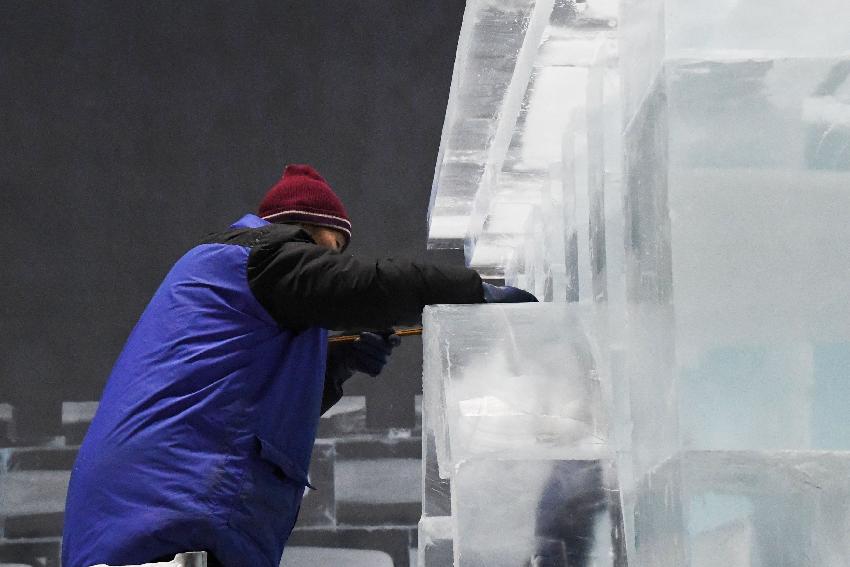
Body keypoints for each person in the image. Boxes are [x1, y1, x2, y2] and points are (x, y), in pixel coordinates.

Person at [62, 164, 537, 567]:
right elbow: (371, 287)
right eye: (335, 248)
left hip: (145, 516)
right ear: (311, 230)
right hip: (162, 517)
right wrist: (475, 293)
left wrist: (336, 365)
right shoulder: (262, 256)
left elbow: (245, 402)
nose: (335, 259)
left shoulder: (229, 275)